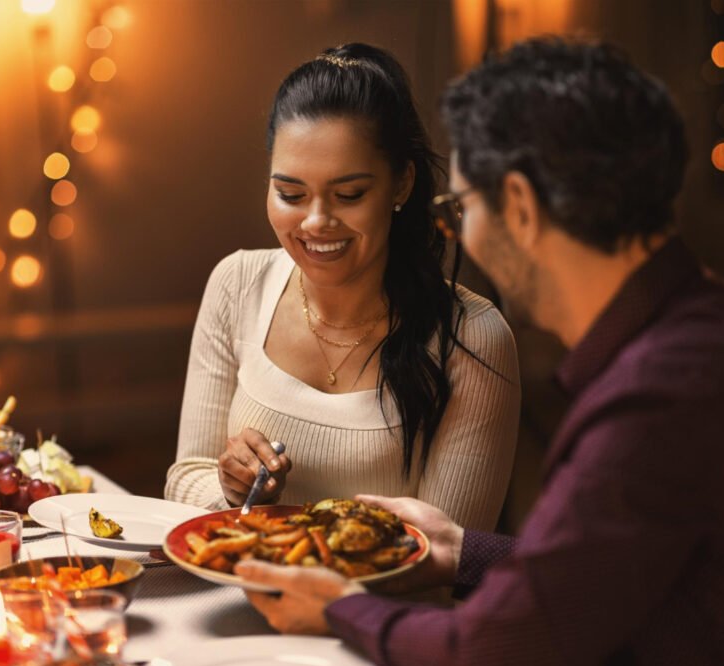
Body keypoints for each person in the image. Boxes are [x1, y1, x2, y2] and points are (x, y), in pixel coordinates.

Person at [234, 38, 724, 666]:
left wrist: (337, 608)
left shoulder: (660, 395)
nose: (459, 232)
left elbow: (492, 660)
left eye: (461, 207)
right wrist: (463, 549)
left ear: (519, 207)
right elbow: (621, 567)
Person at [165, 43, 520, 532]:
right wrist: (228, 491)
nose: (315, 222)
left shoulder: (472, 338)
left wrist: (299, 545)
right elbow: (185, 477)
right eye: (290, 194)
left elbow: (447, 559)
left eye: (349, 195)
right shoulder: (237, 284)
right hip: (232, 595)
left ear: (401, 185)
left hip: (385, 610)